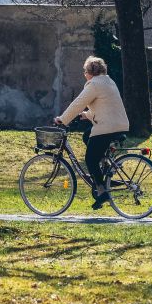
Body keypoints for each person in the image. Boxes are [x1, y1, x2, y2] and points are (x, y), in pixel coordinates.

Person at [55, 56, 129, 209]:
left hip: (106, 128)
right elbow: (105, 106)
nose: (84, 75)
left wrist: (62, 119)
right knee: (87, 136)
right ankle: (105, 173)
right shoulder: (109, 81)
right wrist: (87, 115)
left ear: (89, 72)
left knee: (90, 159)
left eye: (84, 72)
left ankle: (102, 192)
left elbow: (77, 104)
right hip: (119, 124)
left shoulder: (94, 84)